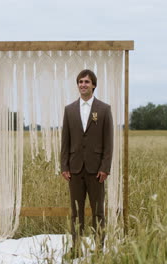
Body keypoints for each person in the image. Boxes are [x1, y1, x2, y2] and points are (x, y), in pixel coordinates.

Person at [60, 69, 113, 254]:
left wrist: (105, 167)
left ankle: (99, 249)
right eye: (80, 82)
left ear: (94, 85)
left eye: (87, 82)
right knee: (76, 212)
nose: (83, 84)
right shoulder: (69, 110)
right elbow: (65, 141)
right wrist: (64, 166)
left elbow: (109, 142)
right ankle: (75, 249)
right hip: (74, 169)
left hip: (96, 170)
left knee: (98, 212)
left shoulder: (104, 109)